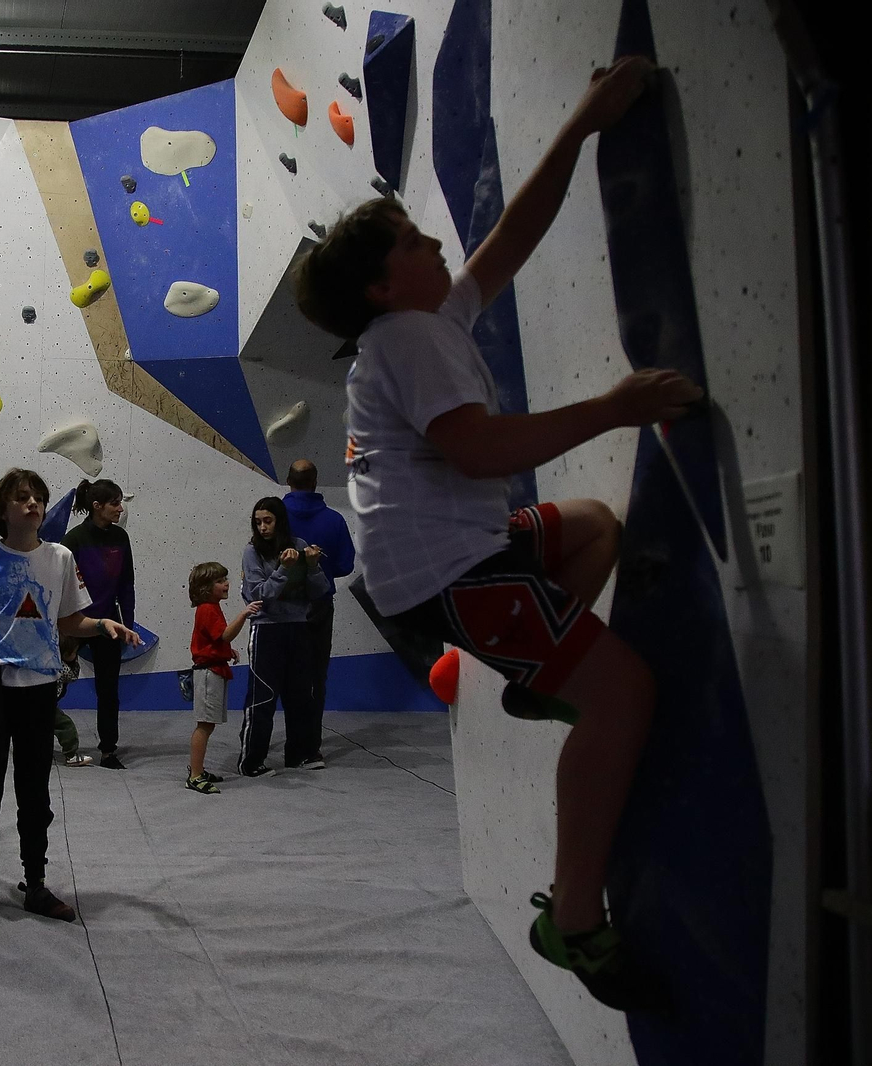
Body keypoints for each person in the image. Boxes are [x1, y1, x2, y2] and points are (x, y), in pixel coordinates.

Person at [293, 56, 698, 1010]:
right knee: (623, 696)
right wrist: (613, 408)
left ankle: (533, 681)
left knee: (593, 527)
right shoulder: (407, 338)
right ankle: (575, 918)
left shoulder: (425, 317)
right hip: (450, 574)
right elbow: (478, 451)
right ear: (382, 287)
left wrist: (584, 120)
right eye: (414, 241)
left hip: (457, 551)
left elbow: (512, 235)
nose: (438, 242)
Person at [0, 469, 140, 922]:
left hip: (38, 692)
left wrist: (102, 624)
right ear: (2, 509)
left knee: (35, 795)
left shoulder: (61, 558)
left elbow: (69, 620)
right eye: (21, 497)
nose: (32, 504)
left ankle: (35, 883)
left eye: (38, 497)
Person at [238, 497, 330, 776]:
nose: (262, 527)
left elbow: (320, 591)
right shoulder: (252, 551)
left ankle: (299, 754)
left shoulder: (299, 545)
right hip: (267, 629)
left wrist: (312, 566)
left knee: (301, 695)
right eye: (257, 522)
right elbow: (258, 594)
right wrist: (283, 569)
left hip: (299, 626)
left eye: (268, 521)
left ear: (279, 521)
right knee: (263, 696)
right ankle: (251, 760)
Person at [58, 479, 136, 768]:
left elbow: (126, 584)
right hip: (74, 622)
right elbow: (58, 585)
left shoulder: (120, 538)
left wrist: (127, 624)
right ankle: (37, 737)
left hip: (108, 624)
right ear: (96, 506)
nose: (120, 508)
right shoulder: (73, 540)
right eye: (115, 503)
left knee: (108, 691)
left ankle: (108, 751)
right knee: (51, 686)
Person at [282, 459, 356, 714]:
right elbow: (345, 565)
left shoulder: (273, 518)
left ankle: (289, 729)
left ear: (288, 481)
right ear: (314, 483)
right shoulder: (335, 520)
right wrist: (322, 571)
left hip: (282, 603)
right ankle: (312, 733)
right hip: (319, 604)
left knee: (285, 670)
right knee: (316, 672)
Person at [184, 563, 259, 794]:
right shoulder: (207, 609)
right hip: (209, 673)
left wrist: (227, 651)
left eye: (225, 579)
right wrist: (244, 614)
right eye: (219, 581)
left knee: (208, 724)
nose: (226, 584)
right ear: (205, 587)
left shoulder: (211, 607)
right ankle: (195, 776)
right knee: (205, 725)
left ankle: (198, 770)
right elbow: (225, 634)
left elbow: (215, 639)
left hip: (213, 669)